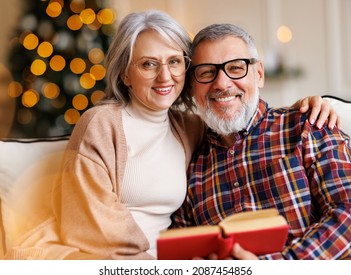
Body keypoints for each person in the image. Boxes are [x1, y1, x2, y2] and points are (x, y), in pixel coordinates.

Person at [4, 10, 339, 260]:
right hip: (115, 263)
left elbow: (239, 114)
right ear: (125, 73)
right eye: (148, 64)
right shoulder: (106, 124)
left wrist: (305, 108)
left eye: (174, 62)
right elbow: (92, 222)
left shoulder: (195, 128)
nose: (164, 75)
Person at [171, 23, 351, 260]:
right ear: (193, 86)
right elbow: (182, 250)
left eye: (236, 68)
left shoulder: (307, 126)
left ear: (259, 75)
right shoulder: (190, 165)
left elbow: (347, 214)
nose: (222, 83)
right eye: (206, 72)